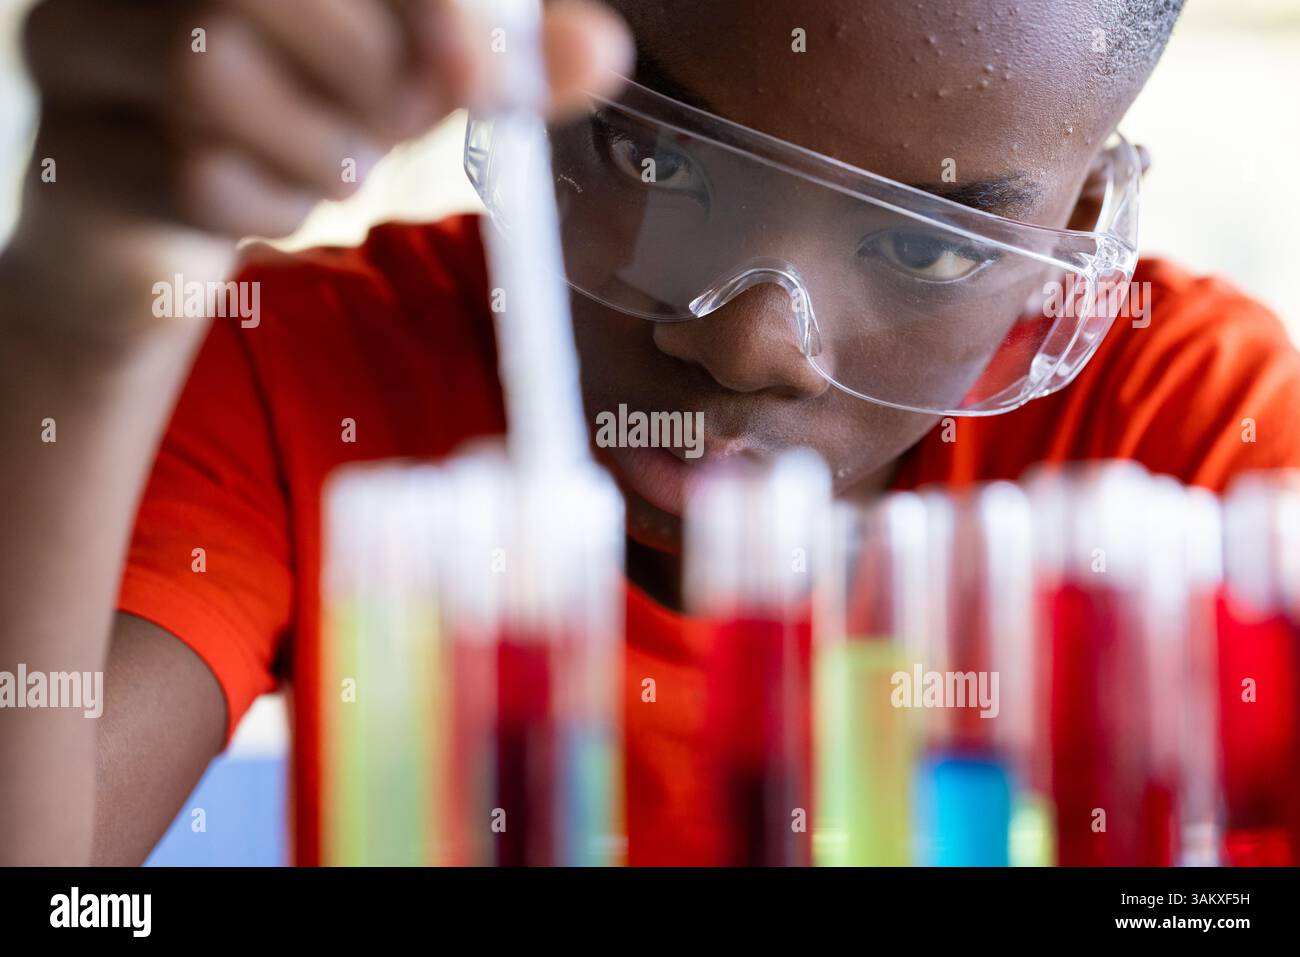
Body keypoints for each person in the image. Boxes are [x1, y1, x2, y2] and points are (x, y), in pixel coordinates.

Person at [2, 0, 1296, 866]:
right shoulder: (310, 371)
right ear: (538, 89)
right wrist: (94, 279)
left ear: (1072, 231)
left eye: (928, 243)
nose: (745, 345)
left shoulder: (1186, 442)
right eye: (658, 163)